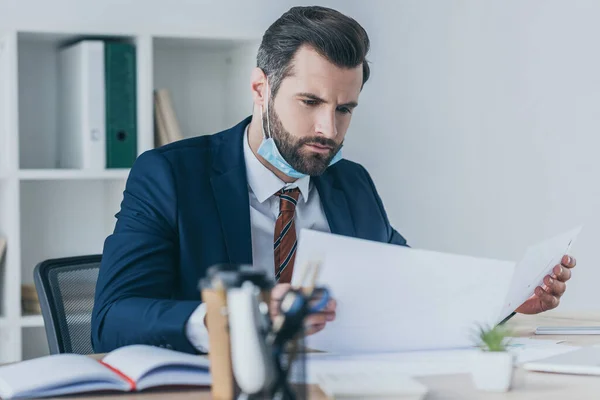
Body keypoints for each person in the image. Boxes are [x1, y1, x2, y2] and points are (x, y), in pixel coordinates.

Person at [91, 5, 576, 354]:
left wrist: (510, 300)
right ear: (261, 89)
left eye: (345, 109)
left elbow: (417, 289)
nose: (329, 129)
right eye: (310, 103)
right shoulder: (171, 176)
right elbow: (112, 320)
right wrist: (238, 319)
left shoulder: (352, 185)